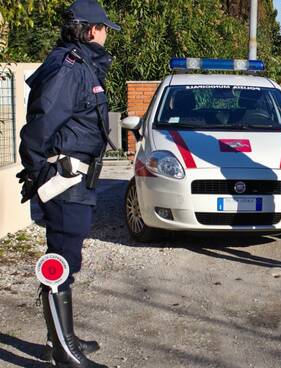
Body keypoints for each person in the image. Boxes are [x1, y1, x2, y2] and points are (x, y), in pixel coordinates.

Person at [16, 0, 120, 366]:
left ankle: (60, 338)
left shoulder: (80, 65)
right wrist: (37, 170)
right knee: (61, 262)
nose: (107, 35)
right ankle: (63, 353)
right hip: (64, 180)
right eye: (105, 28)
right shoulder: (70, 68)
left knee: (64, 258)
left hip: (75, 180)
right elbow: (41, 127)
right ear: (92, 30)